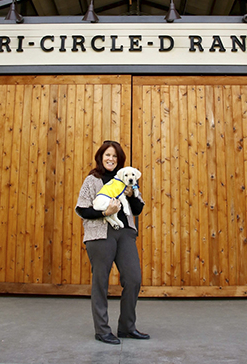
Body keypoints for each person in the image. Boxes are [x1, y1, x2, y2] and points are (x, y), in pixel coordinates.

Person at [75, 140, 150, 344]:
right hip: (100, 234)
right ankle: (102, 330)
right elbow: (82, 209)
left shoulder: (129, 179)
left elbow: (137, 209)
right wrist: (104, 212)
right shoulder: (92, 180)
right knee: (101, 282)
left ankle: (127, 327)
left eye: (115, 156)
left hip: (124, 233)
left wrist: (132, 194)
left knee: (133, 278)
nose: (111, 159)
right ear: (101, 157)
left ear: (120, 160)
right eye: (107, 155)